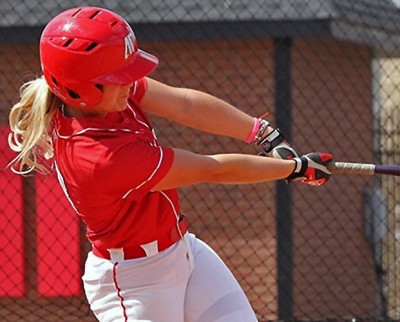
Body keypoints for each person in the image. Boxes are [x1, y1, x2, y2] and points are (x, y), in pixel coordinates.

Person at [8, 6, 333, 322]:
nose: (129, 82)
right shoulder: (100, 158)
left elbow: (186, 104)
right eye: (118, 77)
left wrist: (265, 134)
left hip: (183, 253)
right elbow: (213, 168)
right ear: (79, 88)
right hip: (135, 284)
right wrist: (295, 168)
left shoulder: (106, 97)